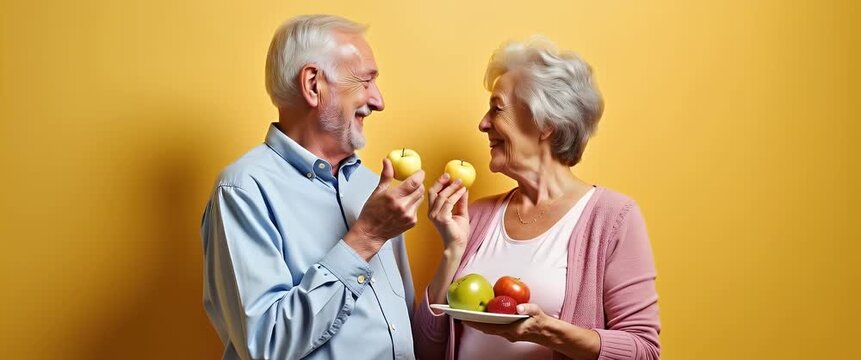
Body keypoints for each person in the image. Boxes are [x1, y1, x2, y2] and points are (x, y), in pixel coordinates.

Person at [412, 36, 661, 360]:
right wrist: (451, 249)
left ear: (545, 124)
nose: (483, 124)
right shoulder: (478, 215)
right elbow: (424, 348)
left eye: (496, 109)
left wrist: (550, 332)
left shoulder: (613, 218)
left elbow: (644, 351)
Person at [201, 15, 423, 360]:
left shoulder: (372, 187)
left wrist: (452, 247)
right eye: (366, 82)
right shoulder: (243, 191)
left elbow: (402, 321)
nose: (379, 101)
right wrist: (364, 239)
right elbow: (266, 345)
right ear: (313, 84)